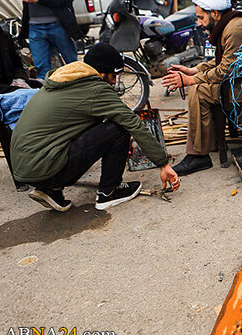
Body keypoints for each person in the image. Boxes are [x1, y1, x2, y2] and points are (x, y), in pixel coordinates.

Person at [10, 42, 180, 211]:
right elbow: (133, 123)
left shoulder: (63, 81)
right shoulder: (95, 89)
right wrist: (163, 164)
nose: (114, 81)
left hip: (25, 170)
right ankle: (109, 192)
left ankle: (51, 190)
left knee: (101, 128)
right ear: (101, 73)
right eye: (114, 75)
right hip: (44, 168)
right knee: (119, 128)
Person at [161, 0, 242, 175]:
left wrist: (190, 80)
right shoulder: (230, 24)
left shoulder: (235, 29)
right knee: (198, 87)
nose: (198, 23)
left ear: (214, 13)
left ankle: (198, 155)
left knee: (198, 90)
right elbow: (224, 60)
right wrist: (194, 70)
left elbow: (226, 70)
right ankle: (206, 145)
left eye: (201, 18)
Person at [0, 13, 32, 98]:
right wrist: (15, 90)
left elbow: (17, 65)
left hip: (16, 90)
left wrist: (20, 79)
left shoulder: (3, 38)